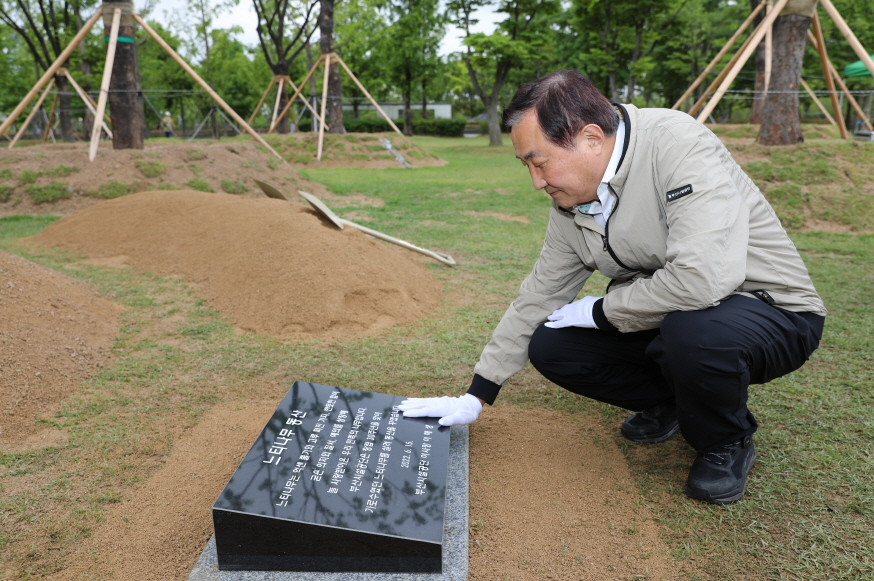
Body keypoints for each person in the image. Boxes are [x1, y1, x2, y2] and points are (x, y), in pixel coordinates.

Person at [398, 70, 826, 505]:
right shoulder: (571, 202)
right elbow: (541, 293)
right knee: (551, 343)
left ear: (590, 138)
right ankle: (680, 402)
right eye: (526, 165)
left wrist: (601, 311)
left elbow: (703, 279)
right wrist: (477, 394)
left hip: (771, 310)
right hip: (674, 313)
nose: (536, 181)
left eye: (540, 162)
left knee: (693, 334)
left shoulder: (677, 143)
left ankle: (726, 441)